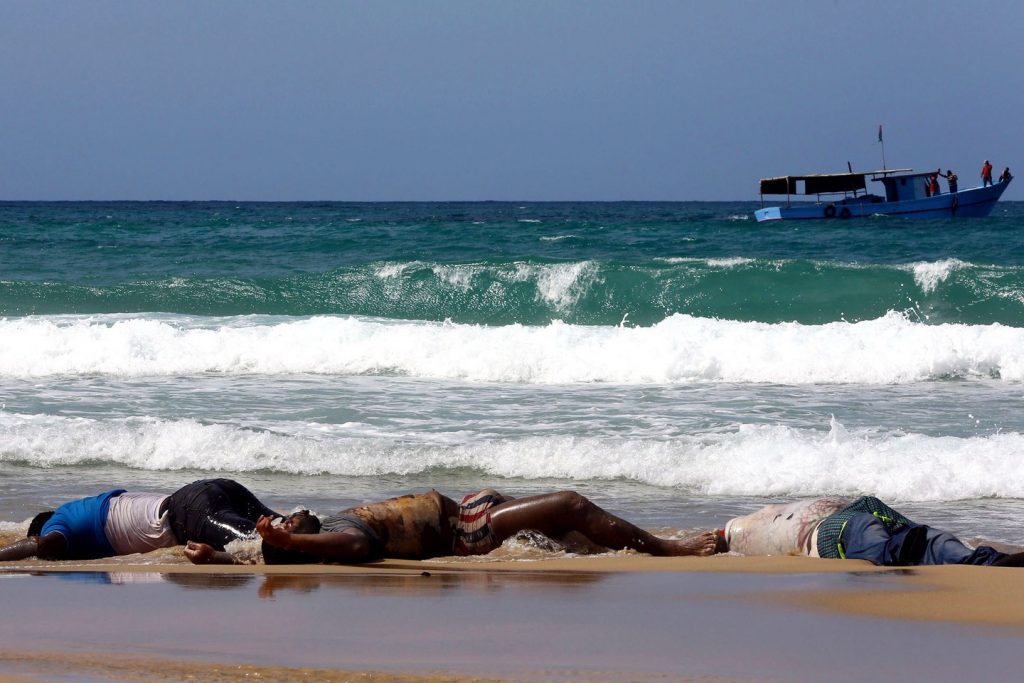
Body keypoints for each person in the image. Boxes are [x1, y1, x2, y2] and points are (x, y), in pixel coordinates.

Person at [184, 488, 723, 565]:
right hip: (468, 530)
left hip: (469, 509)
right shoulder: (344, 537)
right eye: (283, 523)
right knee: (571, 505)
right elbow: (350, 545)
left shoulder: (299, 535)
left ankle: (629, 546)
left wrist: (220, 558)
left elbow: (253, 554)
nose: (283, 516)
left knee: (571, 539)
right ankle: (669, 549)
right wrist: (291, 540)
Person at [0, 478, 281, 562]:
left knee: (266, 545)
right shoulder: (81, 508)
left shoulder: (57, 525)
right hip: (208, 490)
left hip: (187, 514)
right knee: (285, 526)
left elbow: (41, 544)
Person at [723, 495, 1024, 567]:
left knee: (936, 540)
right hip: (831, 534)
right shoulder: (737, 530)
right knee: (867, 532)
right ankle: (894, 552)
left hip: (878, 525)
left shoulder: (760, 521)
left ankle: (991, 562)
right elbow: (712, 541)